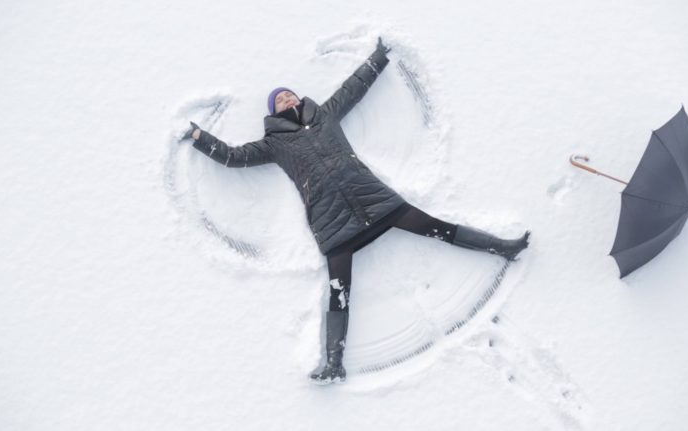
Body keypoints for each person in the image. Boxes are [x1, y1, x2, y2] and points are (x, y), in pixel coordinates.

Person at [184, 38, 530, 385]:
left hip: (375, 201)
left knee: (437, 227)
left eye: (289, 95)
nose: (287, 99)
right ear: (273, 113)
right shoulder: (274, 145)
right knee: (339, 291)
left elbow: (353, 90)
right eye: (280, 100)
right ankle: (334, 363)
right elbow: (234, 157)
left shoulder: (324, 115)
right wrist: (199, 137)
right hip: (332, 223)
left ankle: (503, 248)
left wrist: (377, 58)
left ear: (299, 99)